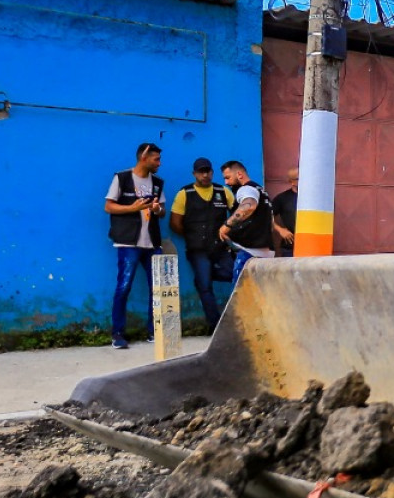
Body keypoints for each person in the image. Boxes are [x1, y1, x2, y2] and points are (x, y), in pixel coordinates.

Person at [104, 142, 164, 349]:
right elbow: (108, 206)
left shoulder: (157, 182)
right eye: (156, 159)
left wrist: (157, 209)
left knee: (158, 289)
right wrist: (132, 207)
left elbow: (162, 211)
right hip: (128, 242)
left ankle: (154, 331)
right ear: (144, 157)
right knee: (124, 287)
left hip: (152, 243)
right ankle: (118, 334)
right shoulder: (122, 178)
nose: (159, 163)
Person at [169, 157, 233, 333]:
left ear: (212, 172)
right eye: (201, 172)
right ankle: (215, 326)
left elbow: (236, 214)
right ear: (194, 174)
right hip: (198, 250)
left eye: (208, 171)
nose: (205, 175)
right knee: (205, 288)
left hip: (220, 248)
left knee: (235, 275)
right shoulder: (185, 193)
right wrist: (192, 236)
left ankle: (205, 275)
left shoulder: (223, 191)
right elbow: (174, 223)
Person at [218, 160, 275, 282]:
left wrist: (226, 226)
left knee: (241, 298)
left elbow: (249, 206)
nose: (226, 182)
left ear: (239, 174)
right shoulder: (261, 190)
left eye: (228, 178)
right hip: (266, 253)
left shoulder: (246, 189)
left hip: (249, 254)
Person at [270, 167, 299, 258]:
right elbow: (265, 216)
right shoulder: (282, 198)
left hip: (313, 246)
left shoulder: (315, 197)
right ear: (292, 182)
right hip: (290, 246)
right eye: (300, 178)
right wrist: (280, 229)